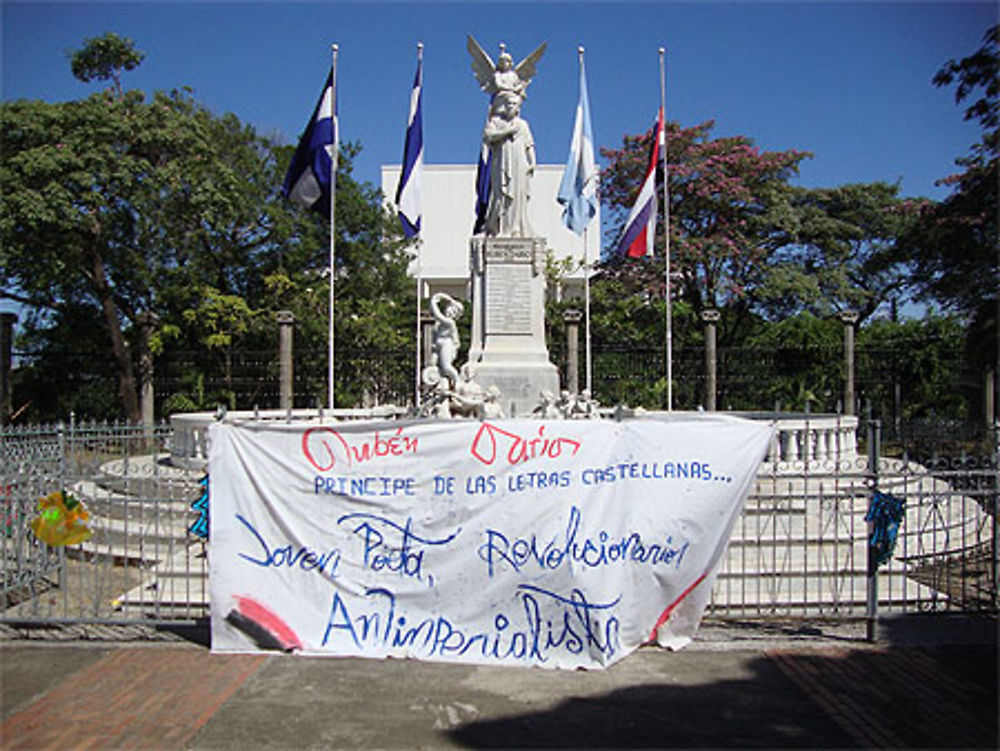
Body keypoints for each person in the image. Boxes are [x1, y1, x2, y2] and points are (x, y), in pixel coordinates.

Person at [482, 91, 536, 237]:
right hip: (502, 163)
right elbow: (488, 136)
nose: (511, 106)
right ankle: (500, 227)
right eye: (508, 103)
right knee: (501, 194)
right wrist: (507, 131)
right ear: (503, 105)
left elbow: (529, 145)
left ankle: (516, 228)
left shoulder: (523, 124)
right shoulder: (495, 122)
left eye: (514, 104)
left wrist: (532, 161)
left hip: (520, 162)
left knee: (518, 194)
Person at [430, 292, 463, 390]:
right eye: (450, 309)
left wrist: (433, 302)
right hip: (437, 345)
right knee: (432, 365)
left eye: (454, 312)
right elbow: (435, 334)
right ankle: (438, 385)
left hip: (446, 344)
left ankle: (457, 381)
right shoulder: (438, 324)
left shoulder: (449, 322)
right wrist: (447, 298)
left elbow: (437, 314)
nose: (450, 312)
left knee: (446, 366)